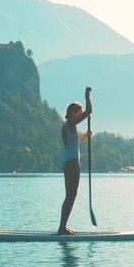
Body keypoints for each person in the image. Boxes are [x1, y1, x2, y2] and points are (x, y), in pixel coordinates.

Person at [58, 86, 93, 235]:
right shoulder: (71, 124)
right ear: (73, 112)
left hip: (69, 162)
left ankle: (62, 227)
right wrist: (87, 96)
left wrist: (85, 135)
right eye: (79, 111)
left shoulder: (68, 126)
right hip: (72, 163)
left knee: (70, 195)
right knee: (71, 196)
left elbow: (75, 142)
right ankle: (62, 228)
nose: (81, 114)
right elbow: (89, 111)